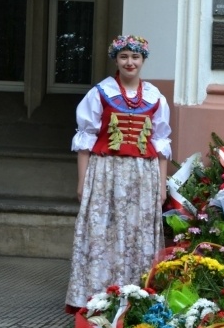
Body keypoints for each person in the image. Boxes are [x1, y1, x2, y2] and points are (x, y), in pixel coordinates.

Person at [65, 35, 172, 313]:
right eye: (124, 57)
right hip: (106, 172)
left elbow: (161, 144)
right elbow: (86, 140)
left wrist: (162, 186)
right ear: (116, 60)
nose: (130, 62)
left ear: (143, 60)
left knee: (137, 232)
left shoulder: (155, 97)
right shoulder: (100, 93)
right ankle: (98, 297)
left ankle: (135, 298)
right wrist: (82, 181)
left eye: (135, 57)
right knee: (104, 232)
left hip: (142, 175)